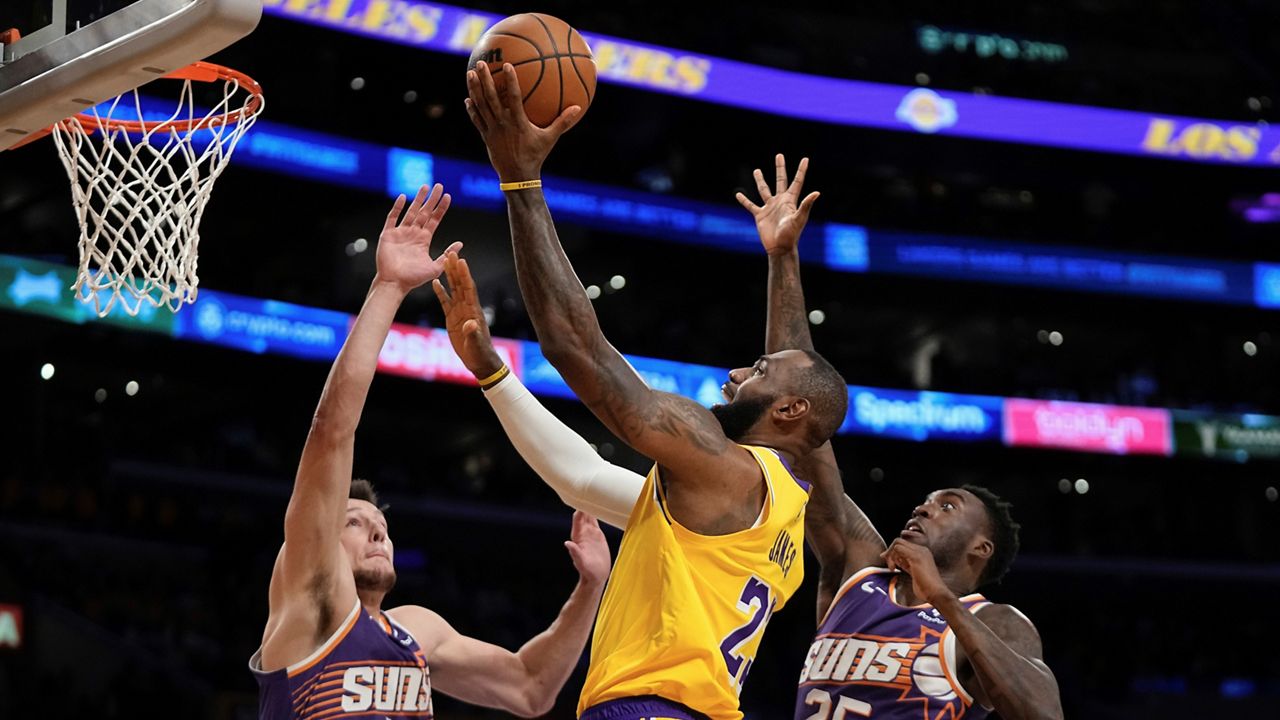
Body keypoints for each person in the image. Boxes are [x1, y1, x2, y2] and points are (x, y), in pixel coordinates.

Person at [455, 62, 849, 720]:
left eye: (753, 370)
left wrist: (520, 181)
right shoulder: (788, 514)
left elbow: (576, 349)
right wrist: (782, 260)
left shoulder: (720, 466)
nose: (733, 375)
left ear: (785, 410)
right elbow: (581, 474)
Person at [249, 184, 612, 720]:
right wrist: (388, 287)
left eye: (380, 525)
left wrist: (591, 587)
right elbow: (331, 432)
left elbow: (531, 689)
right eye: (355, 522)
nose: (378, 531)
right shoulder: (310, 594)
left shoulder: (418, 630)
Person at [733, 156, 1064, 720]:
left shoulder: (995, 620)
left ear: (979, 549)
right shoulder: (858, 571)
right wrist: (783, 258)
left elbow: (1042, 714)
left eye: (947, 506)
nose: (924, 507)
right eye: (930, 499)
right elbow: (802, 414)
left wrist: (942, 601)